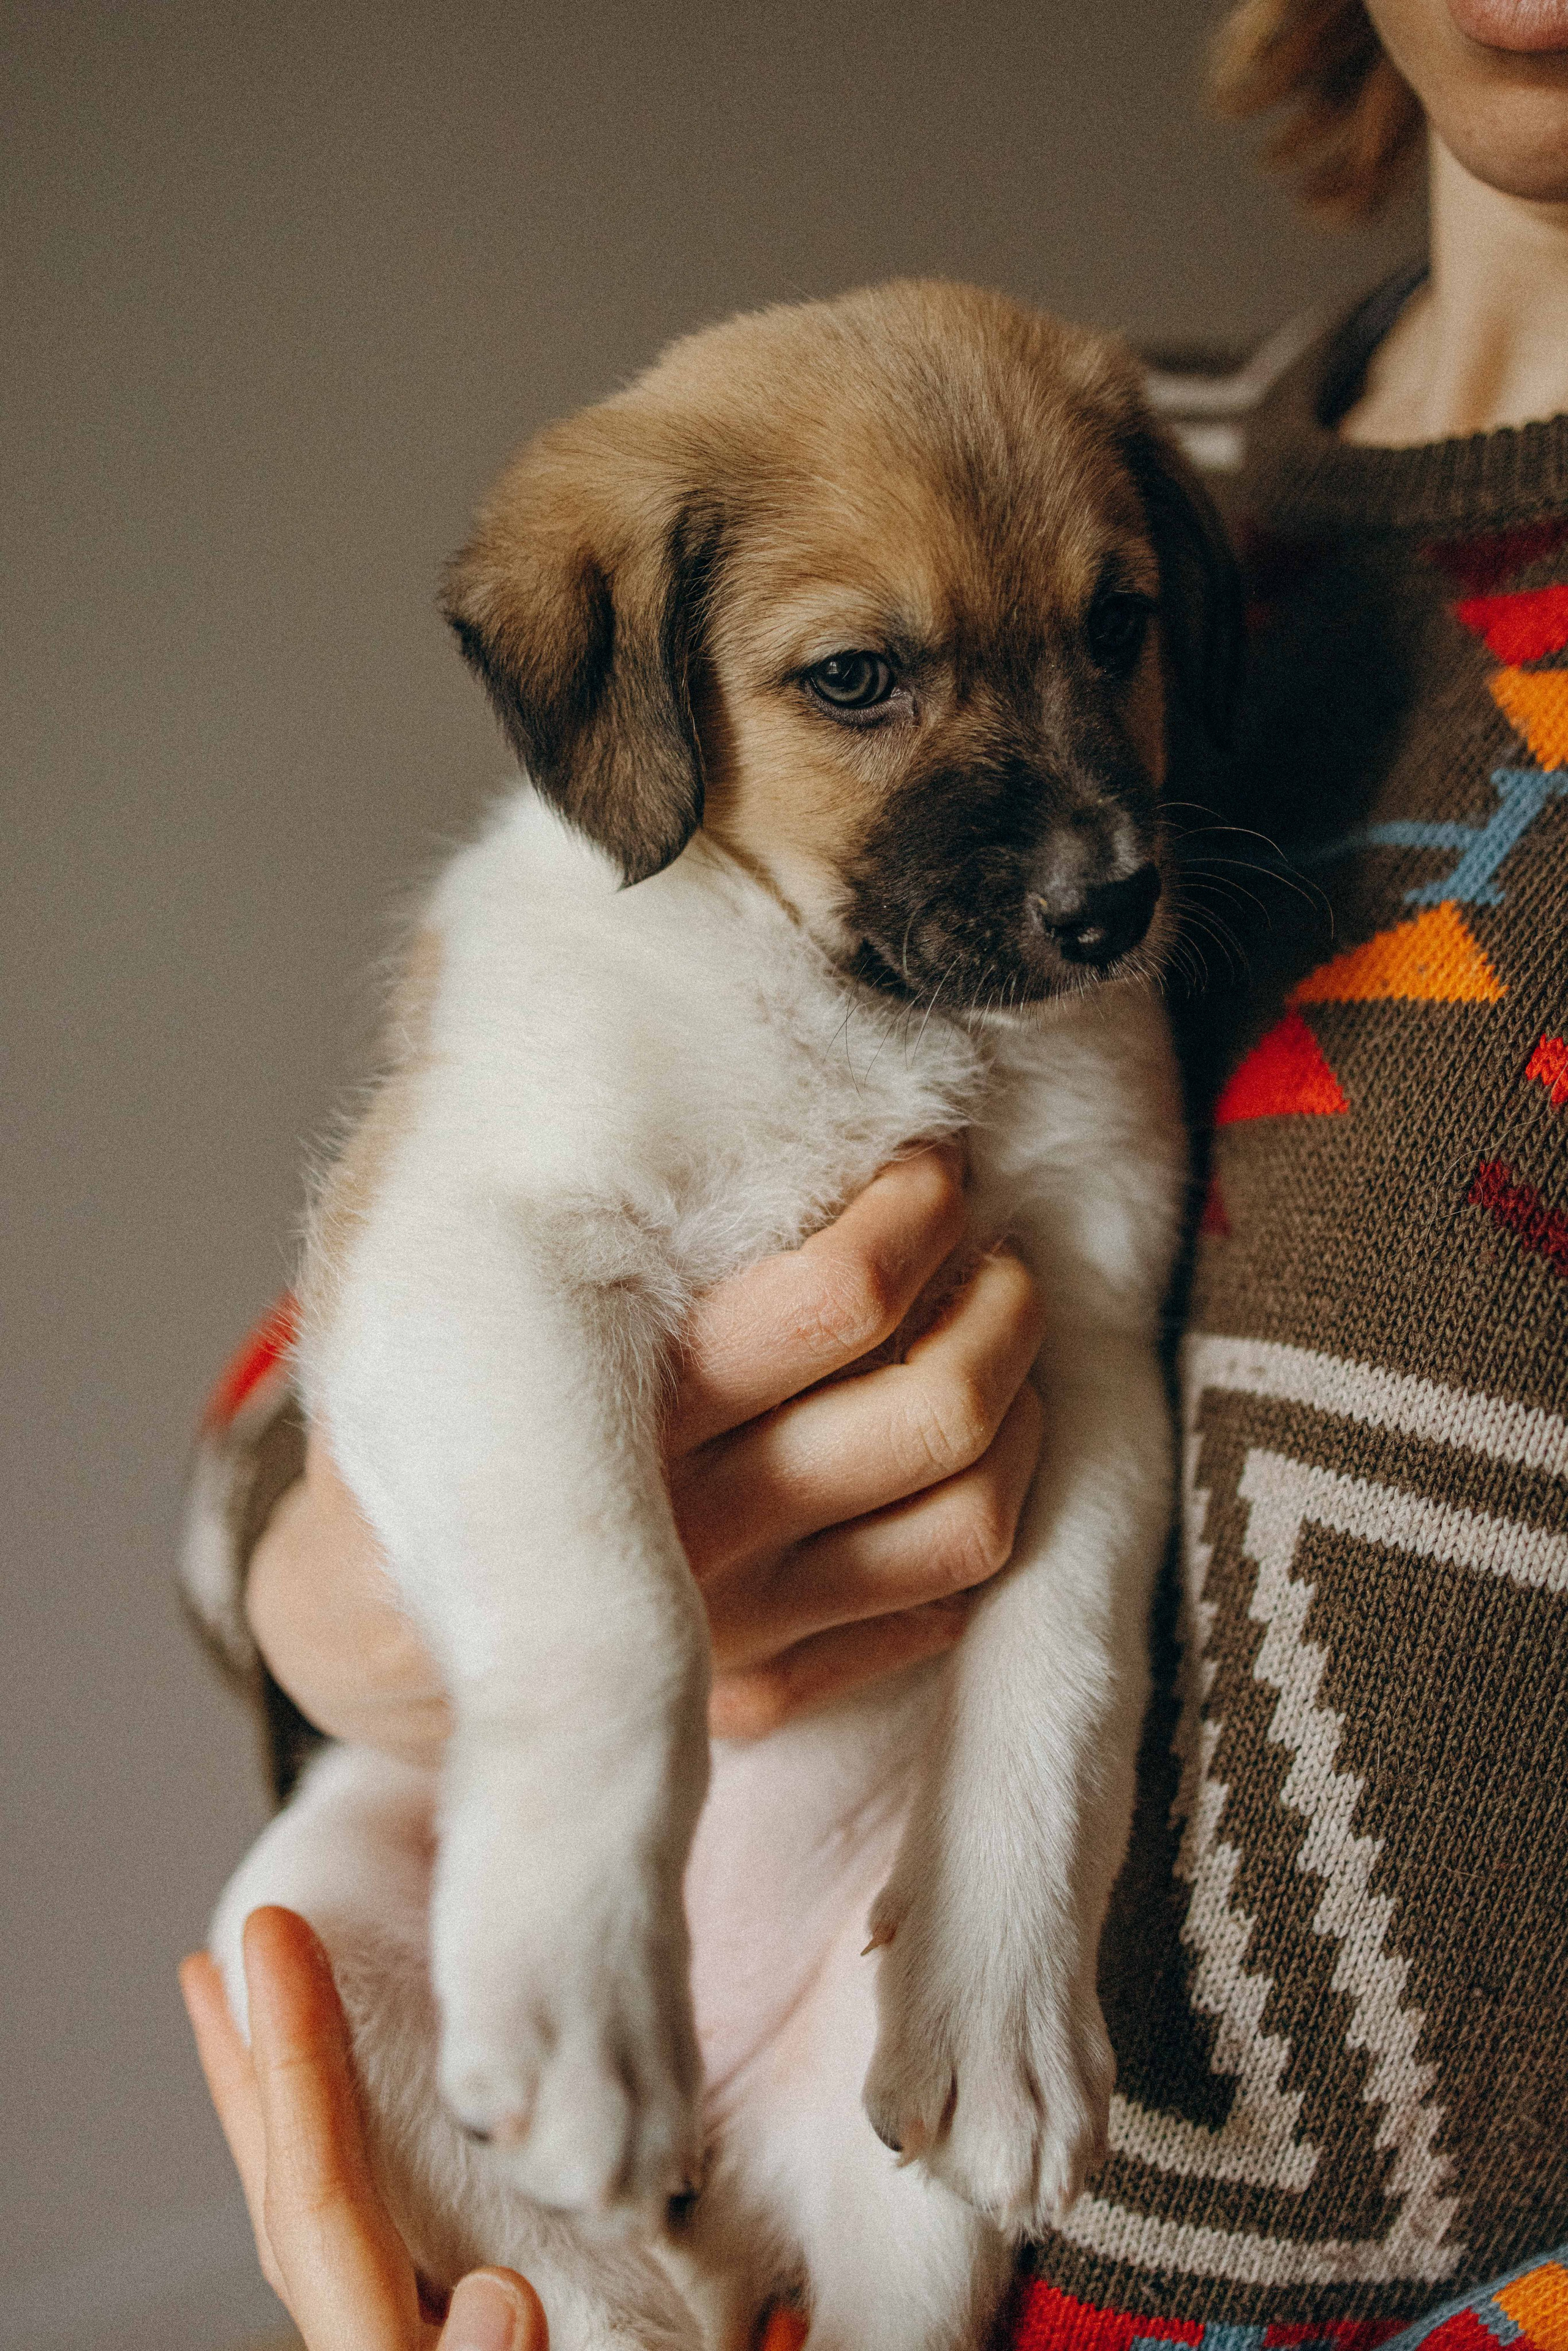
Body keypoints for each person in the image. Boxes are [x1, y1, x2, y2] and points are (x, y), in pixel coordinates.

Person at [181, 0, 1568, 2339]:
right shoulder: (1144, 443)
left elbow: (1096, 1400)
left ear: (1168, 612)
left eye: (1112, 645)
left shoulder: (1124, 496)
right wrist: (378, 1615)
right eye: (862, 684)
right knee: (310, 1940)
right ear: (628, 713)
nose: (1086, 845)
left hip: (906, 2022)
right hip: (507, 1882)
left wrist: (1019, 1902)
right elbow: (329, 1398)